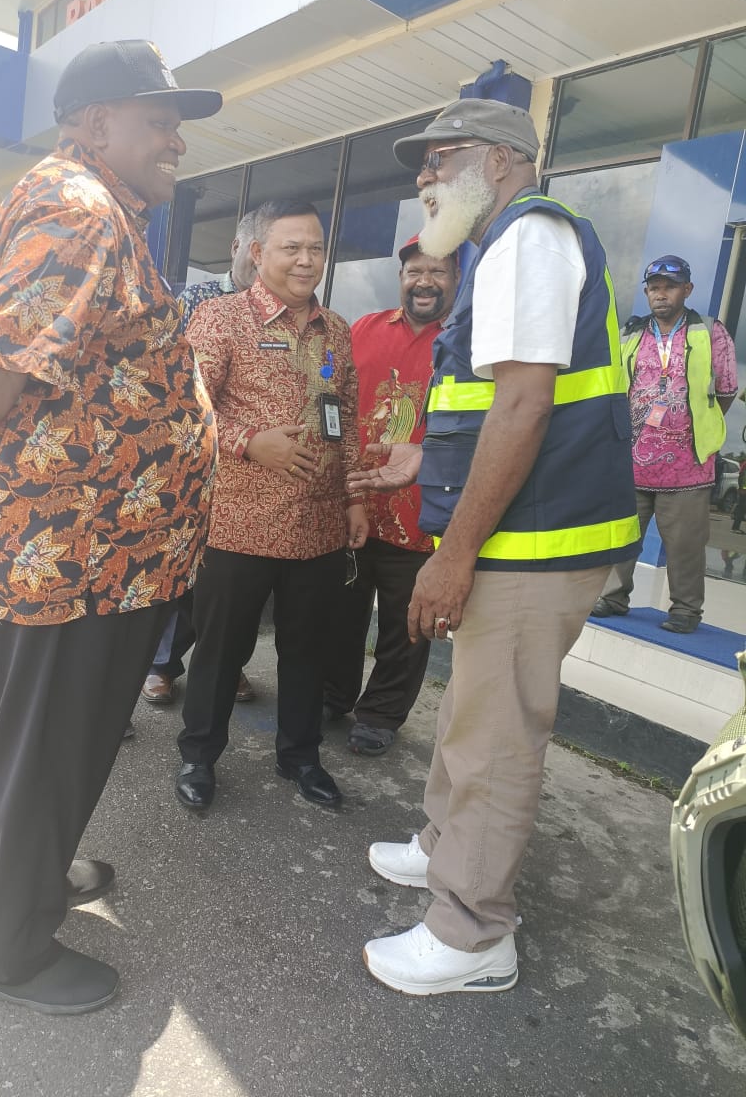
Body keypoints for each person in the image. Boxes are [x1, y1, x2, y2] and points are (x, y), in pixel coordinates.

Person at [0, 40, 222, 1014]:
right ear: (90, 124)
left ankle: (18, 889)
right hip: (77, 558)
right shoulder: (77, 206)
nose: (177, 138)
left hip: (78, 552)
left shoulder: (88, 207)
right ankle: (10, 955)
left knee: (20, 748)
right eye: (157, 118)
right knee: (46, 752)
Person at [347, 98, 640, 994]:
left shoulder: (526, 237)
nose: (425, 177)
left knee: (496, 734)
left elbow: (524, 405)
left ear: (504, 159)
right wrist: (418, 457)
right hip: (524, 531)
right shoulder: (499, 244)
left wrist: (453, 552)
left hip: (533, 541)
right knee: (471, 716)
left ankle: (472, 934)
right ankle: (444, 847)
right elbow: (490, 406)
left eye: (441, 159)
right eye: (422, 165)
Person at [174, 198, 367, 811]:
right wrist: (248, 443)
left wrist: (354, 497)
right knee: (221, 651)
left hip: (317, 527)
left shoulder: (336, 329)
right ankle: (199, 756)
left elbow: (349, 419)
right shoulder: (222, 319)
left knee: (308, 649)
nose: (306, 260)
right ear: (258, 253)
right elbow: (186, 408)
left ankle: (300, 757)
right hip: (238, 525)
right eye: (292, 247)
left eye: (315, 248)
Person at [322, 234, 460, 757]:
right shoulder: (364, 329)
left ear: (455, 280)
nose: (424, 281)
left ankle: (380, 713)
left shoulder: (467, 343)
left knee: (407, 624)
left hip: (423, 515)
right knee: (340, 612)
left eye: (438, 272)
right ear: (401, 278)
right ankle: (332, 695)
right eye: (415, 271)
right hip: (357, 502)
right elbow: (332, 399)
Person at [141, 210, 258, 707]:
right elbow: (175, 382)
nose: (261, 259)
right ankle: (163, 665)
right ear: (237, 248)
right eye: (256, 249)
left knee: (239, 583)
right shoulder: (197, 299)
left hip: (254, 472)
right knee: (189, 571)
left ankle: (225, 662)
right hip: (196, 460)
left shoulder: (285, 314)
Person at [591, 256, 737, 633]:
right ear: (646, 292)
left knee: (686, 545)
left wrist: (691, 427)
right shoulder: (632, 333)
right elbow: (614, 389)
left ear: (686, 290)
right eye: (654, 287)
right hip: (632, 460)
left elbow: (727, 390)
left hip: (688, 464)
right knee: (622, 535)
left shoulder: (709, 331)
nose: (660, 294)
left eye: (669, 286)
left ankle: (686, 610)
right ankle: (612, 597)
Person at [730, 458, 746, 535]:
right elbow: (743, 477)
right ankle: (735, 527)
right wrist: (743, 488)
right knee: (742, 508)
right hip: (744, 490)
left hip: (743, 489)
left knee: (741, 507)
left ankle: (735, 525)